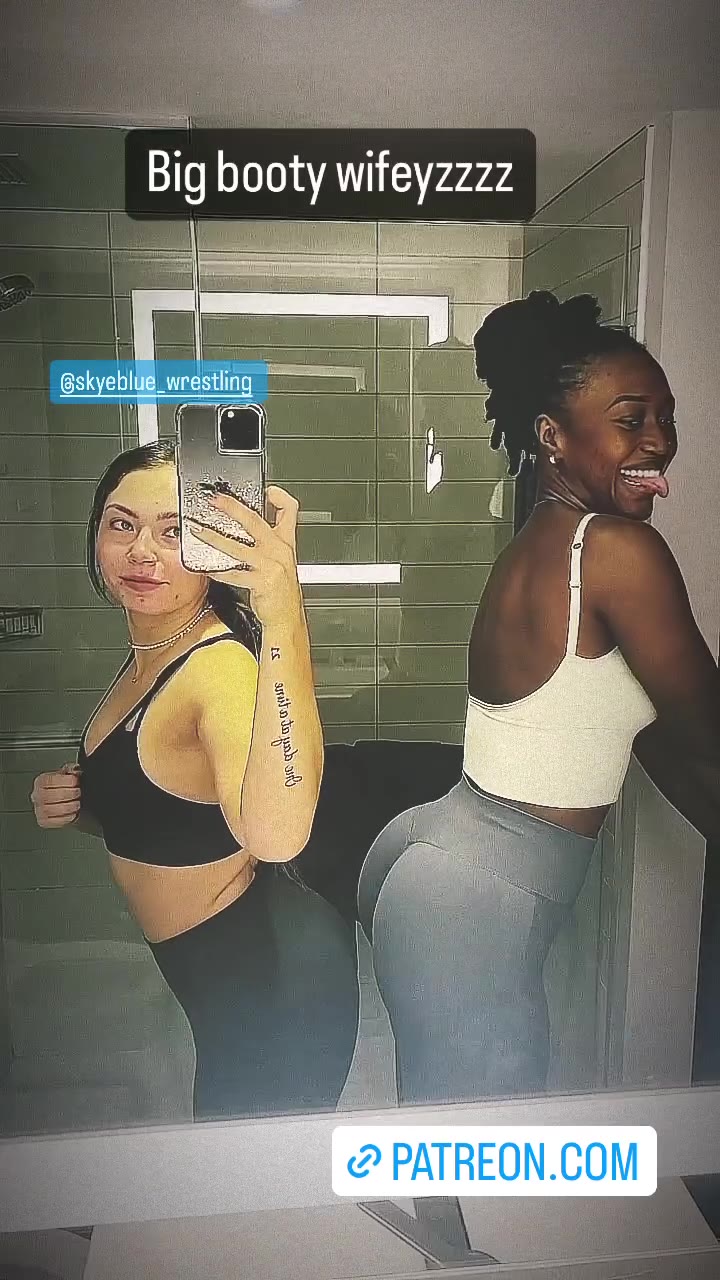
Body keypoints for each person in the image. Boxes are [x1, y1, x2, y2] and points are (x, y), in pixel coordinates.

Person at [358, 290, 720, 1106]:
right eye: (632, 419)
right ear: (552, 435)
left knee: (452, 1153)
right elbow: (710, 736)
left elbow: (656, 736)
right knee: (488, 1157)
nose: (660, 439)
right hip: (474, 901)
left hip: (444, 859)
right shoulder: (620, 553)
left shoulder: (545, 542)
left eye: (666, 416)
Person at [31, 441, 359, 1120]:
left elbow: (276, 836)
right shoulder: (153, 649)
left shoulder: (216, 671)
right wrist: (79, 800)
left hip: (276, 986)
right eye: (122, 524)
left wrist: (282, 607)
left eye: (174, 530)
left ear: (216, 546)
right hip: (223, 983)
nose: (141, 551)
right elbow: (174, 811)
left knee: (250, 1179)